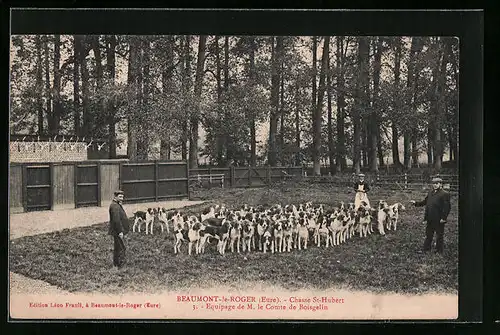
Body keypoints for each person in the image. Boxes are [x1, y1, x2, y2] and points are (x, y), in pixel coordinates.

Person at [410, 177, 451, 254]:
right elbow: (425, 202)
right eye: (433, 183)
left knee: (439, 235)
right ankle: (426, 249)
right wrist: (415, 203)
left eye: (437, 183)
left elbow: (447, 207)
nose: (435, 185)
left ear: (440, 184)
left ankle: (439, 251)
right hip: (430, 217)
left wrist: (443, 218)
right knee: (428, 234)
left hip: (439, 219)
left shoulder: (445, 194)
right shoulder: (430, 193)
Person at [108, 190, 130, 269]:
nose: (122, 198)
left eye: (122, 197)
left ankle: (116, 264)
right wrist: (120, 231)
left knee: (118, 247)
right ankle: (119, 265)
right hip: (117, 231)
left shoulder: (116, 204)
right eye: (120, 197)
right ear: (115, 197)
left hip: (117, 231)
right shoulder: (114, 206)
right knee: (121, 248)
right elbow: (116, 220)